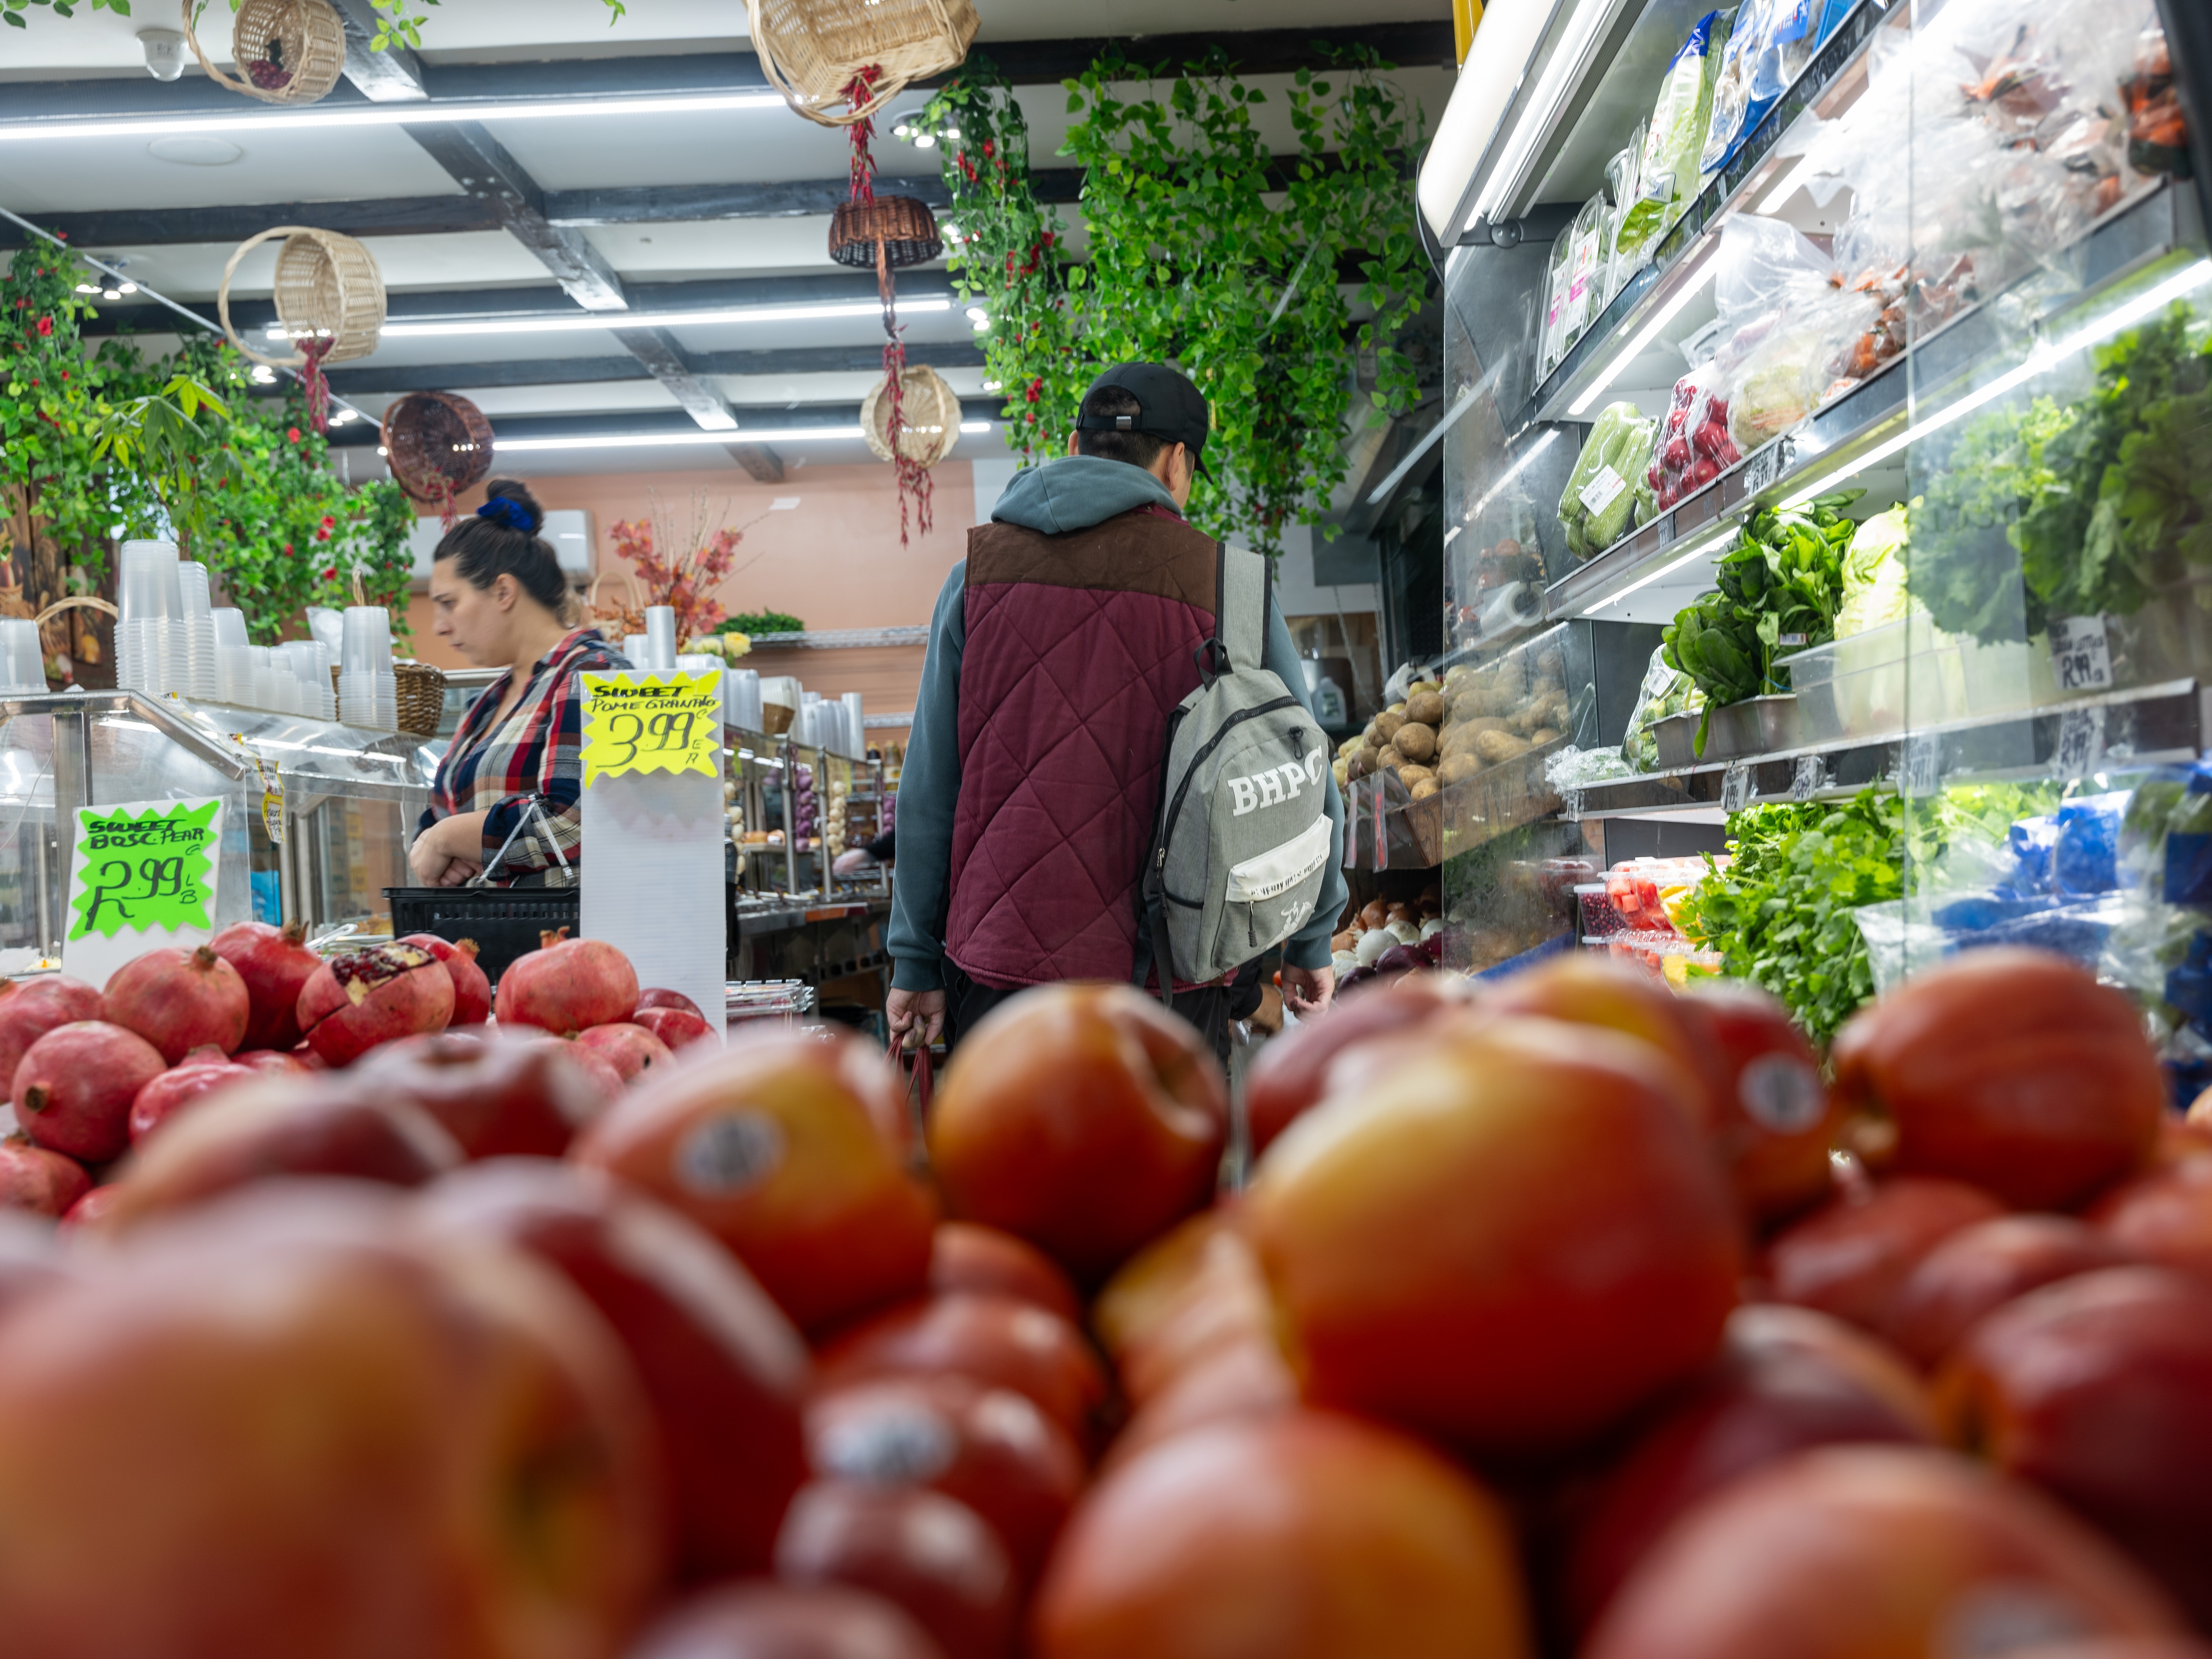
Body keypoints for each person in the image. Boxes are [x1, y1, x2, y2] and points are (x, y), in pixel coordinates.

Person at [885, 364, 1348, 1058]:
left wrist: (915, 962)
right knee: (1159, 1167)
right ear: (1176, 463)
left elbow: (927, 792)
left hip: (999, 973)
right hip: (1169, 974)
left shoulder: (973, 579)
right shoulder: (1230, 584)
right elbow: (1300, 777)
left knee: (1004, 1163)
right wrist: (1312, 938)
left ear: (1074, 443)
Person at [409, 479, 630, 889]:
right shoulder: (488, 703)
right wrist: (435, 843)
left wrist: (447, 839)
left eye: (449, 602)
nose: (439, 626)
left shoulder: (593, 673)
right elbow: (437, 817)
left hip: (563, 941)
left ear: (504, 591)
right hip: (487, 941)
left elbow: (573, 824)